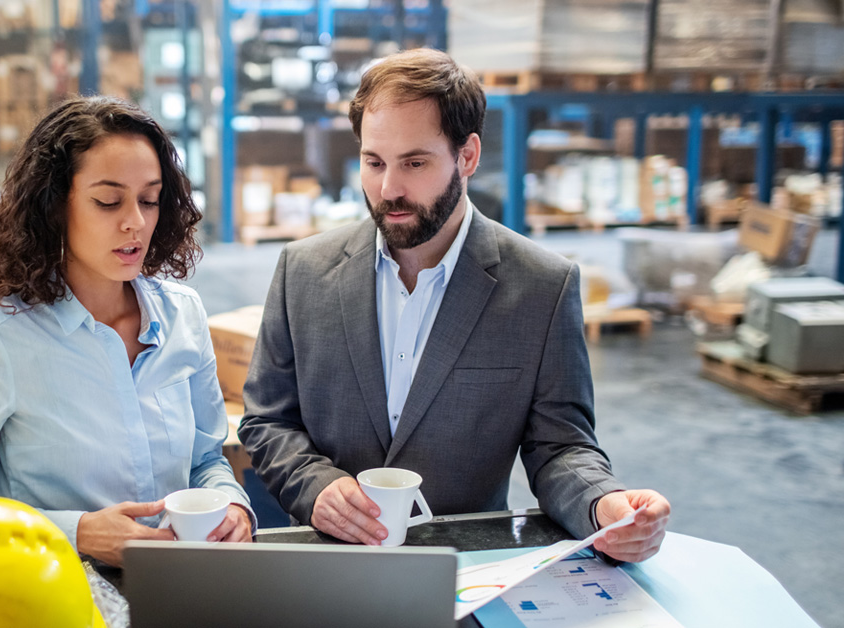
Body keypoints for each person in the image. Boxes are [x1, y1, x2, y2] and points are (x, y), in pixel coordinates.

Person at [237, 49, 669, 563]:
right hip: (326, 562)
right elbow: (267, 421)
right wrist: (315, 487)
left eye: (415, 163)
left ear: (467, 156)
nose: (389, 189)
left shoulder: (542, 288)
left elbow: (560, 447)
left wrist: (604, 505)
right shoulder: (303, 271)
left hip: (465, 568)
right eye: (373, 163)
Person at [0, 96, 254, 567]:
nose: (136, 222)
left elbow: (205, 462)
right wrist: (76, 532)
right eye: (108, 201)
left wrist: (233, 505)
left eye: (150, 199)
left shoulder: (183, 315)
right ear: (54, 206)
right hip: (54, 590)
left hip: (179, 584)